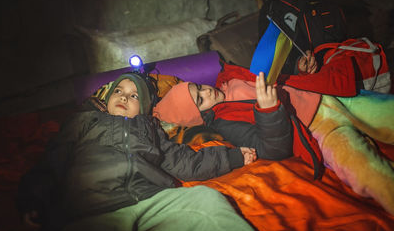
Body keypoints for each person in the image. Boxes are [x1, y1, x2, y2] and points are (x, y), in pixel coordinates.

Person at [16, 72, 264, 231]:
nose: (124, 97)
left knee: (206, 200)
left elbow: (185, 161)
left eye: (134, 95)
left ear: (144, 107)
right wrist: (33, 199)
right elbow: (52, 163)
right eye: (119, 91)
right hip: (93, 209)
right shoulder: (85, 121)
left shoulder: (151, 132)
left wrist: (232, 157)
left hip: (147, 201)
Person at [153, 52, 394, 216]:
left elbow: (275, 75)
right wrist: (268, 110)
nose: (207, 91)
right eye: (200, 99)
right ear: (199, 116)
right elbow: (272, 149)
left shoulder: (229, 78)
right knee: (367, 174)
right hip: (319, 127)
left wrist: (300, 69)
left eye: (200, 87)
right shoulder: (224, 123)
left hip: (331, 97)